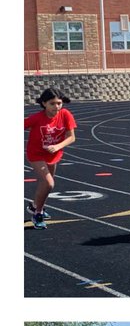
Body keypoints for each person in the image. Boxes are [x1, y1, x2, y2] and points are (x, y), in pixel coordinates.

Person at [24, 87, 77, 229]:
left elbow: (71, 137)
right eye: (52, 103)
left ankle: (35, 205)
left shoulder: (65, 114)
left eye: (59, 103)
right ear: (44, 104)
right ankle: (37, 214)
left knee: (46, 185)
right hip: (36, 154)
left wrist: (57, 146)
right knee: (49, 183)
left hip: (54, 154)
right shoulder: (36, 118)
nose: (57, 106)